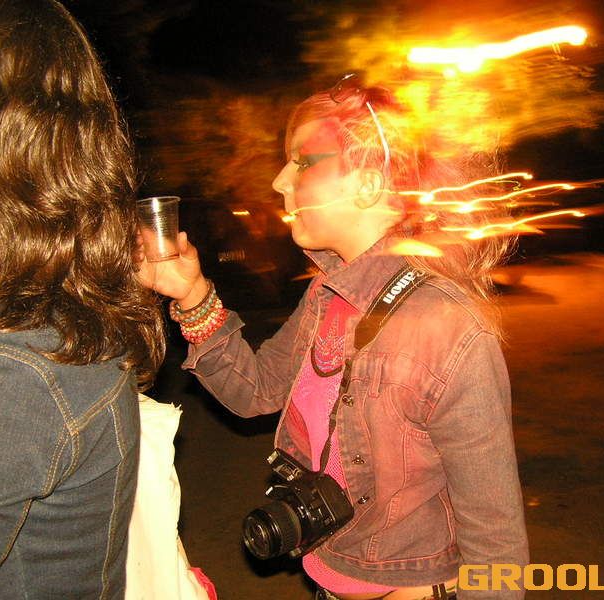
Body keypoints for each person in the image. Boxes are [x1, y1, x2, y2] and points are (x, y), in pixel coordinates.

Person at [142, 75, 528, 599]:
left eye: (302, 162)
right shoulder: (327, 293)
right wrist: (192, 295)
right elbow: (256, 391)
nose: (280, 180)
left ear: (367, 184)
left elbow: (496, 537)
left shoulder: (448, 327)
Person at [0, 1, 165, 598]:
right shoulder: (45, 330)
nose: (282, 182)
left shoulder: (14, 374)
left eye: (303, 162)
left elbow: (258, 390)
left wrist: (199, 302)